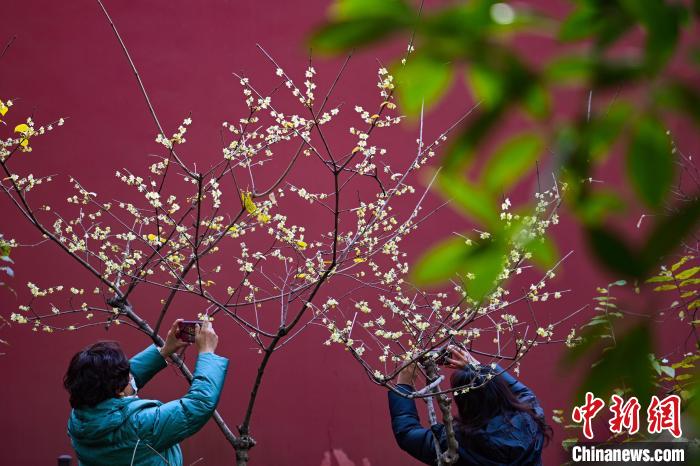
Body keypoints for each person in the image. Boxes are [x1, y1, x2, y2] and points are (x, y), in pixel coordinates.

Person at [64, 319, 228, 465]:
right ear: (118, 389)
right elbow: (198, 405)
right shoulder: (139, 425)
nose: (130, 375)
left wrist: (164, 351)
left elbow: (112, 383)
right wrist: (207, 354)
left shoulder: (79, 419)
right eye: (127, 374)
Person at [388, 346, 552, 466]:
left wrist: (403, 383)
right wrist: (479, 369)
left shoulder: (456, 443)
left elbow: (407, 434)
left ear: (464, 404)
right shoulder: (530, 419)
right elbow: (523, 392)